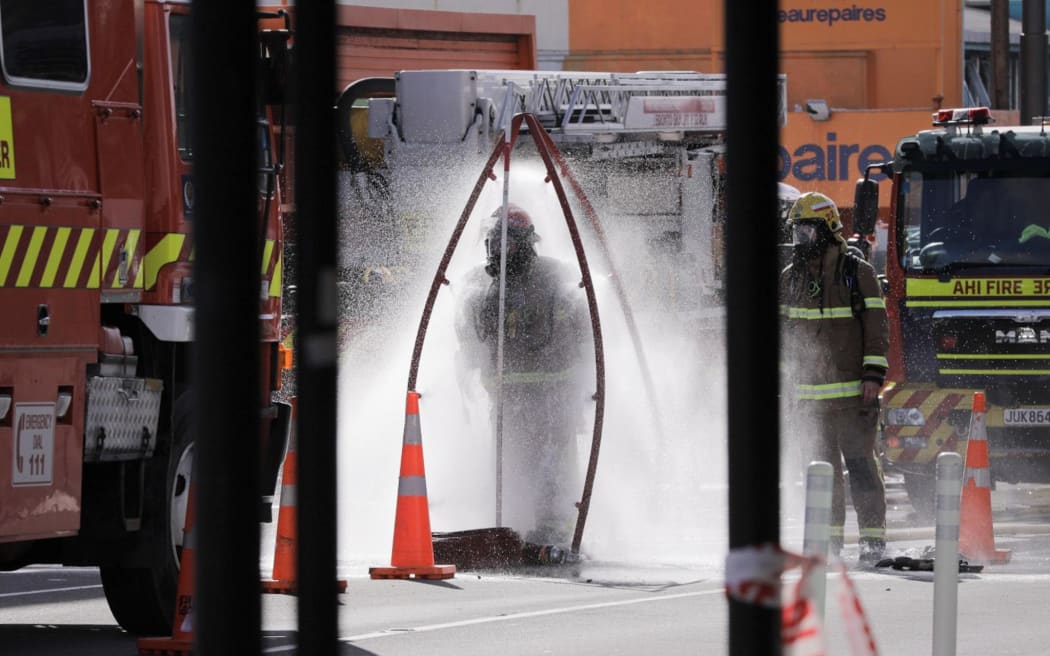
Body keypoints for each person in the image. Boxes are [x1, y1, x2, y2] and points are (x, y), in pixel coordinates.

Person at [455, 203, 591, 547]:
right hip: (504, 396)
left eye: (507, 242)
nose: (498, 250)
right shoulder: (481, 285)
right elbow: (469, 339)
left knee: (553, 464)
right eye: (493, 242)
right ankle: (512, 524)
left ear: (525, 242)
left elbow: (584, 332)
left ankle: (556, 529)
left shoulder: (555, 277)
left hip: (553, 394)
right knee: (512, 463)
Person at [779, 191, 890, 565]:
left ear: (827, 231)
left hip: (853, 397)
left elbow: (876, 329)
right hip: (810, 399)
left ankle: (873, 540)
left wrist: (873, 375)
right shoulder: (790, 278)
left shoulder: (856, 273)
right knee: (822, 475)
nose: (801, 240)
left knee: (861, 466)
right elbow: (782, 335)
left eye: (808, 231)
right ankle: (829, 544)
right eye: (797, 232)